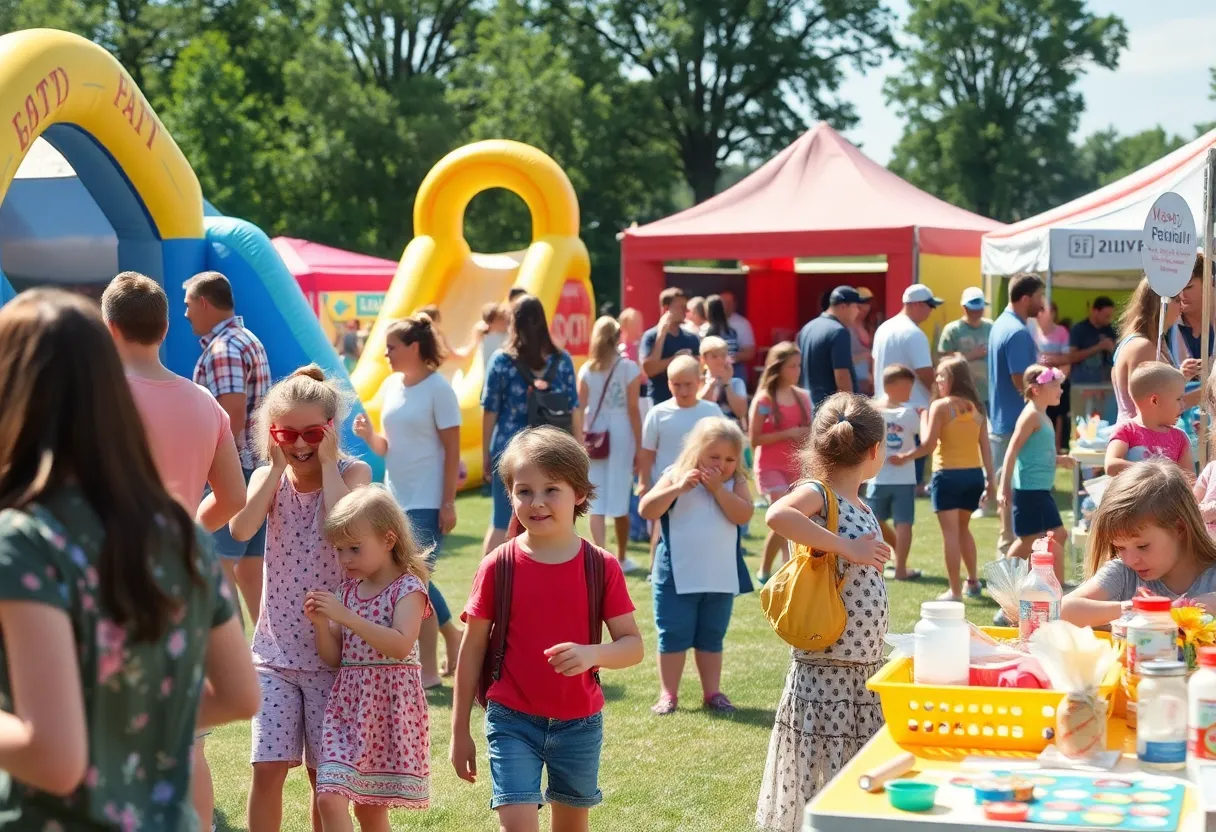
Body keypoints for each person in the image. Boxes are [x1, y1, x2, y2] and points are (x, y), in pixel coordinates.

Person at [0, 289, 259, 828]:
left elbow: (55, 759)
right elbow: (239, 694)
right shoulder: (178, 528)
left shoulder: (25, 540)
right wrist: (126, 723)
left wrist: (83, 729)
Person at [101, 272, 249, 828]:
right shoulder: (202, 401)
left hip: (108, 575)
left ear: (109, 327)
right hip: (178, 577)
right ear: (165, 328)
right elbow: (232, 496)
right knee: (188, 733)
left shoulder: (98, 400)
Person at [450, 428, 644, 832]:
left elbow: (633, 646)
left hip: (579, 723)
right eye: (523, 491)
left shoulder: (601, 566)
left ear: (578, 493)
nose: (536, 502)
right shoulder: (497, 566)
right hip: (510, 719)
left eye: (550, 489)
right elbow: (471, 652)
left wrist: (593, 653)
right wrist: (459, 732)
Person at [228, 366, 373, 832]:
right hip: (273, 654)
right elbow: (241, 529)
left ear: (331, 430)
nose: (300, 445)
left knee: (321, 780)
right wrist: (272, 469)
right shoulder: (270, 479)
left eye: (313, 433)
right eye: (287, 433)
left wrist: (329, 465)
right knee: (266, 767)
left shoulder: (355, 474)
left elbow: (343, 529)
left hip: (332, 655)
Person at [757, 393, 891, 832]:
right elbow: (777, 515)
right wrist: (847, 546)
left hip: (861, 672)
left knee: (850, 774)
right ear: (874, 452)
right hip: (827, 672)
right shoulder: (819, 493)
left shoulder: (860, 505)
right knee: (823, 777)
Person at [309, 486, 433, 826]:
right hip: (348, 708)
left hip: (388, 709)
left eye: (354, 548)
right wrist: (322, 624)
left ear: (388, 540)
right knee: (329, 796)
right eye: (339, 550)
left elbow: (400, 645)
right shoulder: (346, 592)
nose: (344, 559)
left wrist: (346, 617)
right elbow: (334, 657)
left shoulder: (408, 589)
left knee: (370, 808)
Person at [353, 314, 463, 689]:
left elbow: (452, 450)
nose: (385, 354)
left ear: (414, 348)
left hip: (428, 499)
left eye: (392, 347)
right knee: (414, 578)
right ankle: (451, 637)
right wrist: (370, 437)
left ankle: (429, 672)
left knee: (413, 582)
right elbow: (388, 446)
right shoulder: (393, 385)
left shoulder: (439, 389)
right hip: (395, 500)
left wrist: (448, 503)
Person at [640, 419, 753, 715]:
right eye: (714, 456)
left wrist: (718, 490)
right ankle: (668, 695)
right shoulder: (675, 475)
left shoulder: (735, 482)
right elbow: (647, 509)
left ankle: (712, 693)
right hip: (676, 574)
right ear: (697, 451)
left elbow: (743, 515)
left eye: (730, 459)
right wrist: (677, 488)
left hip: (719, 575)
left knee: (712, 635)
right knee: (673, 633)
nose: (723, 464)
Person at [185, 270, 273, 624]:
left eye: (189, 305)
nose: (187, 313)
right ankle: (270, 654)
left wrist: (207, 466)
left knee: (216, 564)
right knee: (250, 570)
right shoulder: (246, 338)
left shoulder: (223, 348)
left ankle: (237, 664)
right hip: (254, 467)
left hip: (234, 469)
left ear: (205, 303)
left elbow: (232, 415)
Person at [481, 294, 582, 554]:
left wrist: (485, 453)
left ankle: (488, 582)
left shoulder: (502, 361)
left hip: (510, 450)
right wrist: (579, 450)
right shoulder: (562, 361)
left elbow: (490, 410)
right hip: (554, 449)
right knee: (556, 521)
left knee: (501, 522)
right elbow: (574, 408)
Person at [1063, 460, 1216, 626]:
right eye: (1120, 547)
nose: (1131, 560)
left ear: (1179, 527)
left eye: (1142, 546)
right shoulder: (1125, 574)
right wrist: (1135, 609)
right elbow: (1064, 609)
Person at [905, 358, 996, 600]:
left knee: (951, 534)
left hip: (947, 476)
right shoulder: (977, 407)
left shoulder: (940, 407)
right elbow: (985, 447)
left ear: (955, 378)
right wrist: (991, 480)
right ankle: (973, 582)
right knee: (963, 530)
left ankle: (955, 591)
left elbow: (928, 445)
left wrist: (923, 421)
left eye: (942, 376)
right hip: (973, 475)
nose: (937, 380)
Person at [577, 316, 645, 573]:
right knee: (618, 496)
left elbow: (580, 406)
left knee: (597, 498)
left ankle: (599, 554)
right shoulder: (628, 368)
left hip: (593, 432)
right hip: (620, 432)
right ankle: (621, 556)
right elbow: (632, 408)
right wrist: (640, 446)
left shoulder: (587, 369)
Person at [987, 272, 1044, 557]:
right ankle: (1012, 556)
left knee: (1008, 494)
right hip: (1015, 424)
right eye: (1039, 297)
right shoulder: (1017, 331)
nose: (1042, 304)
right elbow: (1020, 379)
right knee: (1016, 495)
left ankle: (1010, 552)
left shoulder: (1001, 324)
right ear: (1025, 298)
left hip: (1003, 421)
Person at [997, 365, 1072, 583]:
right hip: (1029, 491)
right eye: (1055, 386)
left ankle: (1041, 585)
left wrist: (1059, 460)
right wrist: (1003, 488)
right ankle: (1009, 585)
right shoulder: (1031, 416)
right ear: (1037, 389)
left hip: (1039, 490)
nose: (1061, 391)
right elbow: (1012, 452)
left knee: (1043, 539)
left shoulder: (1042, 415)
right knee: (1036, 539)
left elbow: (1035, 454)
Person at [749, 343, 812, 583]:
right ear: (778, 368)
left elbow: (809, 431)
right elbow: (754, 438)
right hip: (770, 467)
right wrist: (788, 433)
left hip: (797, 466)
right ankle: (784, 571)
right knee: (784, 518)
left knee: (791, 518)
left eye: (798, 365)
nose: (797, 370)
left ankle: (769, 570)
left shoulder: (802, 396)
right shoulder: (764, 400)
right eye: (792, 366)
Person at [1113, 277, 1202, 423]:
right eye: (1177, 300)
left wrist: (1181, 376)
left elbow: (1156, 392)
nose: (1182, 307)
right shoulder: (1142, 346)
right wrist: (1204, 394)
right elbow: (1147, 409)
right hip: (1143, 442)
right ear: (1161, 305)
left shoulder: (1145, 343)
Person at [865, 365, 923, 583]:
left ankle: (899, 567)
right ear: (890, 387)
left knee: (900, 522)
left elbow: (923, 435)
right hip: (880, 477)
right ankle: (897, 559)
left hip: (899, 478)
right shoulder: (878, 413)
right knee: (879, 520)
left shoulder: (904, 414)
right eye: (907, 387)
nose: (910, 393)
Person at [640, 356, 723, 495]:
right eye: (677, 385)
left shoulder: (712, 411)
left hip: (704, 488)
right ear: (669, 384)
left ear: (698, 381)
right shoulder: (657, 414)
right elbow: (648, 452)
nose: (683, 391)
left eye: (688, 384)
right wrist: (644, 483)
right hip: (667, 488)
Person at [1104, 362, 1193, 477]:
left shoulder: (1180, 438)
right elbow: (1111, 465)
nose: (1183, 405)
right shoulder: (1127, 430)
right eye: (1179, 399)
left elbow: (1190, 481)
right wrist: (1155, 472)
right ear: (1154, 401)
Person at [797, 285, 861, 406]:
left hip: (808, 408)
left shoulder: (807, 328)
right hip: (830, 412)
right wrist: (848, 412)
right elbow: (842, 377)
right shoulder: (839, 332)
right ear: (843, 307)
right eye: (856, 307)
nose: (858, 311)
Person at [640, 288, 701, 404]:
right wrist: (662, 336)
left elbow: (700, 370)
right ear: (667, 309)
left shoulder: (692, 339)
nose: (685, 311)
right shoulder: (651, 336)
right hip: (659, 401)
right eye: (681, 307)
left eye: (686, 307)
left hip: (687, 402)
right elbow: (650, 369)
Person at [938, 287, 993, 410]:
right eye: (972, 309)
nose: (976, 312)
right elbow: (944, 362)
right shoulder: (953, 330)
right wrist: (970, 356)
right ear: (963, 308)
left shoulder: (991, 327)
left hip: (988, 393)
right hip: (962, 393)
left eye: (979, 309)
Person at [1029, 302, 1072, 450]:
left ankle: (1057, 446)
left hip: (1057, 380)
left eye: (1043, 310)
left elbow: (1067, 359)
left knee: (1059, 414)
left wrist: (1059, 378)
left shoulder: (1061, 332)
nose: (1039, 314)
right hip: (1038, 382)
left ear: (1053, 314)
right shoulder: (1031, 331)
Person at [1170, 253, 1214, 366]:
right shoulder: (1166, 325)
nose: (1182, 294)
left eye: (1189, 287)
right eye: (1178, 287)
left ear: (1208, 283)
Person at [1065, 295, 1117, 385]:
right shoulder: (1078, 329)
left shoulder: (1111, 330)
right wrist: (1098, 347)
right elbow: (1072, 357)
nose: (1109, 320)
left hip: (1105, 383)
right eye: (1106, 316)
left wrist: (1113, 349)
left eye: (1110, 316)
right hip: (1083, 383)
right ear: (1095, 312)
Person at [699, 335, 748, 426]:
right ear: (704, 359)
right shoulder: (697, 382)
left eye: (723, 355)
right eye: (714, 356)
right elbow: (698, 408)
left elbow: (741, 413)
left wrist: (727, 384)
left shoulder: (736, 382)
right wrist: (711, 384)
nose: (720, 360)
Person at [719, 288, 757, 381]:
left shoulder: (743, 324)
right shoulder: (709, 323)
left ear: (734, 304)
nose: (726, 306)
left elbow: (750, 352)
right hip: (714, 373)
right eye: (723, 303)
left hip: (736, 373)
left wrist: (729, 359)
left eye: (729, 303)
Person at [850, 287, 876, 395]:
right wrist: (865, 356)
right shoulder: (845, 329)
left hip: (869, 383)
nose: (864, 309)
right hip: (854, 382)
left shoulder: (868, 326)